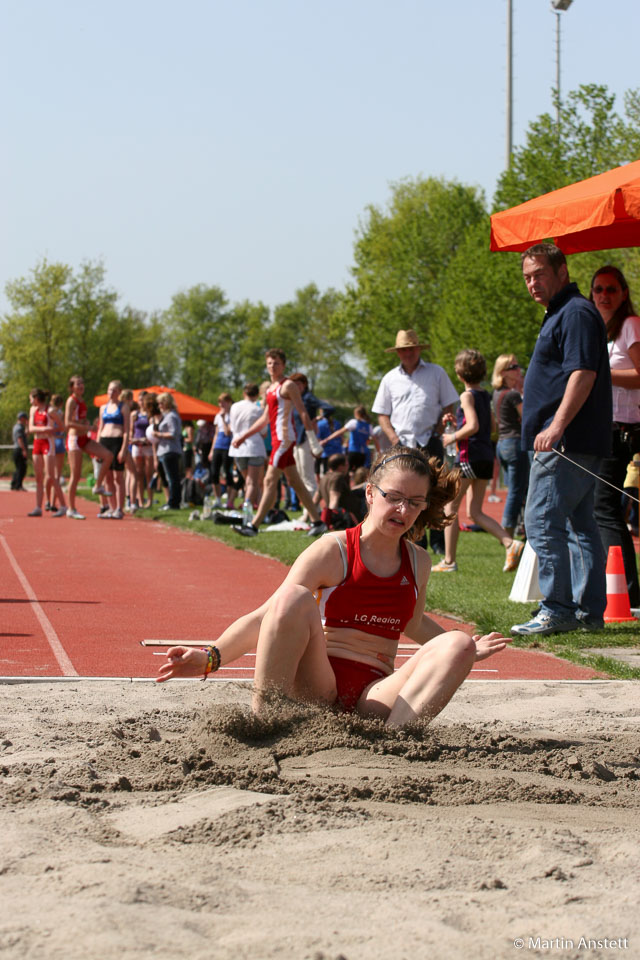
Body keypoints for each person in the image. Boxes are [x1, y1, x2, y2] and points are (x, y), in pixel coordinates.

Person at [157, 446, 510, 726]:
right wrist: (211, 657)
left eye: (415, 502)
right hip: (318, 684)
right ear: (370, 494)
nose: (403, 509)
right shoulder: (333, 549)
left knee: (459, 643)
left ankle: (393, 746)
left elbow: (414, 624)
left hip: (375, 696)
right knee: (292, 596)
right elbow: (270, 615)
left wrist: (460, 651)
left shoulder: (419, 561)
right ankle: (263, 724)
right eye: (394, 497)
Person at [512, 243, 612, 636]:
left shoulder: (575, 313)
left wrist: (555, 426)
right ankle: (587, 612)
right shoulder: (566, 312)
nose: (532, 283)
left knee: (541, 521)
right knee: (580, 526)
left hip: (565, 443)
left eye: (538, 274)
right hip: (574, 441)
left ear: (562, 271)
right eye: (526, 277)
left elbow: (582, 372)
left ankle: (558, 609)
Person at [432, 350, 524, 574]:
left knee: (449, 507)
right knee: (474, 512)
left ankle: (449, 561)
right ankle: (510, 543)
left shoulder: (466, 396)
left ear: (459, 373)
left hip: (467, 457)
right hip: (484, 456)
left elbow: (472, 426)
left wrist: (452, 436)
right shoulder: (485, 395)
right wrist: (458, 421)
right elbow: (491, 426)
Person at [372, 329, 459, 555]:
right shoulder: (390, 378)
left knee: (436, 492)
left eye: (411, 348)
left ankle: (439, 542)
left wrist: (439, 429)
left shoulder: (436, 373)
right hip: (401, 444)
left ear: (418, 349)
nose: (407, 353)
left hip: (429, 441)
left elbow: (449, 403)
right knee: (405, 495)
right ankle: (414, 541)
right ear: (398, 352)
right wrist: (393, 437)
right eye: (403, 349)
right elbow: (381, 413)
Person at [231, 349, 327, 538]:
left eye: (276, 363)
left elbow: (303, 412)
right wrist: (243, 436)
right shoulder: (269, 388)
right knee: (295, 482)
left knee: (268, 480)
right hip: (277, 438)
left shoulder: (288, 385)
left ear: (283, 365)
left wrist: (312, 441)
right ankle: (318, 521)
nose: (272, 366)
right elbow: (266, 418)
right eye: (269, 363)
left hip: (284, 439)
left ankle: (253, 526)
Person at [590, 265, 640, 607]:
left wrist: (601, 373)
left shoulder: (630, 326)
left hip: (623, 429)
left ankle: (627, 592)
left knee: (604, 508)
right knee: (602, 508)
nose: (604, 295)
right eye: (598, 289)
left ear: (623, 293)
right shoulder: (602, 330)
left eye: (611, 289)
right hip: (605, 427)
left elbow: (639, 374)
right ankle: (622, 589)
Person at [65, 375, 114, 520]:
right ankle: (71, 509)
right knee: (75, 475)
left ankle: (98, 485)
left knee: (108, 455)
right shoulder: (71, 401)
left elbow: (78, 419)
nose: (81, 386)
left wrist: (85, 423)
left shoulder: (82, 401)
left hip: (84, 438)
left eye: (82, 383)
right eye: (78, 384)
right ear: (72, 387)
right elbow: (67, 423)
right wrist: (86, 426)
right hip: (74, 439)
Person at [492, 354, 529, 538]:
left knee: (514, 490)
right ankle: (507, 535)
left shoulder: (498, 393)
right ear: (503, 372)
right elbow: (528, 418)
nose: (518, 369)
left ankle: (512, 531)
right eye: (513, 367)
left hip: (503, 444)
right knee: (516, 491)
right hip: (514, 443)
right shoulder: (513, 395)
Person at [27, 389, 67, 517]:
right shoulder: (33, 410)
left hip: (48, 443)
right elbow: (30, 428)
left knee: (50, 476)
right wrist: (44, 428)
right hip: (37, 443)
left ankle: (63, 505)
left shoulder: (50, 411)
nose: (30, 401)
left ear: (36, 398)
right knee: (39, 477)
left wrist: (53, 430)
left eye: (31, 398)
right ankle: (38, 507)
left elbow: (62, 427)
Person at [229, 384, 267, 509]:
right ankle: (248, 507)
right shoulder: (257, 410)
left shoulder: (234, 407)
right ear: (256, 395)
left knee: (248, 480)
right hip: (254, 447)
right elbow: (263, 432)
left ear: (244, 393)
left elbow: (232, 427)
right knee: (253, 482)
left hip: (237, 448)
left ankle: (253, 504)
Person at [97, 380, 131, 519]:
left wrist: (124, 448)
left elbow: (127, 430)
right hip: (104, 441)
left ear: (119, 392)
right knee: (107, 477)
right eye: (110, 390)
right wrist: (97, 448)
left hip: (117, 441)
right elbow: (100, 428)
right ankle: (111, 507)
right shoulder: (102, 408)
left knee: (118, 477)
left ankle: (119, 508)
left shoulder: (124, 407)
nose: (111, 393)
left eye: (115, 390)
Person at [320, 405, 377, 472]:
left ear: (356, 414)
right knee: (359, 472)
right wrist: (378, 452)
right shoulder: (368, 426)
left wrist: (326, 439)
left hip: (353, 451)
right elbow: (375, 440)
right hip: (363, 453)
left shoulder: (354, 422)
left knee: (347, 471)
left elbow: (340, 432)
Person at [153, 392, 183, 511]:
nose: (159, 405)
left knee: (172, 478)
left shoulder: (171, 416)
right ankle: (171, 501)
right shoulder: (167, 415)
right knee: (169, 477)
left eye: (161, 403)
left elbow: (173, 433)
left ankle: (174, 502)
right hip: (164, 450)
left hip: (170, 450)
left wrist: (158, 434)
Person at [209, 394, 237, 508]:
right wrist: (212, 449)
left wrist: (224, 418)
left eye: (224, 402)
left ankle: (229, 501)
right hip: (218, 446)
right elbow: (216, 433)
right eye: (220, 402)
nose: (221, 405)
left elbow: (227, 432)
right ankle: (218, 499)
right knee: (214, 473)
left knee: (227, 473)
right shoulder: (218, 415)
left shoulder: (232, 415)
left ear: (229, 402)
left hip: (228, 446)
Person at [11, 411, 29, 491]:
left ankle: (15, 484)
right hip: (19, 449)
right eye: (25, 419)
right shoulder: (19, 428)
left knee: (19, 468)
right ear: (22, 418)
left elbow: (26, 435)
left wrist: (28, 426)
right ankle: (18, 485)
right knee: (21, 468)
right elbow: (20, 439)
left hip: (18, 449)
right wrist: (24, 450)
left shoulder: (18, 427)